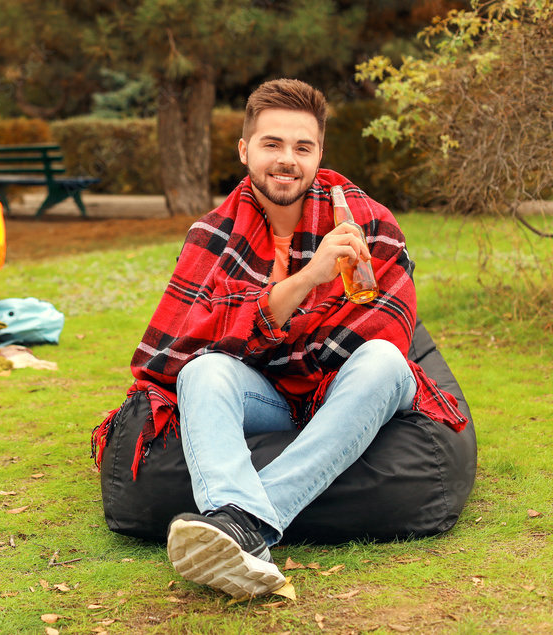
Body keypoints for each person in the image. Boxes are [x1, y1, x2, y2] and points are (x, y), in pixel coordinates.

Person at [103, 79, 467, 599]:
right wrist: (309, 280)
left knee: (385, 359)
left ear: (320, 154)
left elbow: (387, 324)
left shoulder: (367, 221)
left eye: (303, 147)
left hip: (344, 387)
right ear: (245, 149)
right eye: (272, 144)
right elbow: (181, 347)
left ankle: (239, 523)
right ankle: (246, 530)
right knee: (200, 372)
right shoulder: (212, 234)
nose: (287, 160)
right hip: (270, 395)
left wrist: (266, 330)